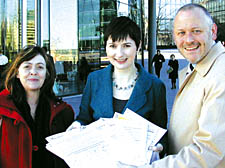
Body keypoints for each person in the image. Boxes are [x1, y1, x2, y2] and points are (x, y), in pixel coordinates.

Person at [138, 3, 225, 168]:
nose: (189, 40)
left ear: (213, 31)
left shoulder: (221, 73)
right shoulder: (197, 66)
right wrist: (162, 147)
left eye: (196, 31)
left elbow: (209, 152)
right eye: (181, 33)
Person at [68, 16, 168, 159]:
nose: (119, 54)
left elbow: (161, 132)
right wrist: (78, 124)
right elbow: (84, 118)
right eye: (113, 46)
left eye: (126, 46)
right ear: (106, 47)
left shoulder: (155, 86)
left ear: (138, 46)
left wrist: (160, 146)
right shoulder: (94, 80)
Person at [0, 45, 75, 168]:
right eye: (27, 67)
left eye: (40, 67)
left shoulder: (63, 113)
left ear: (47, 73)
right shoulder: (2, 110)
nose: (33, 72)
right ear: (17, 73)